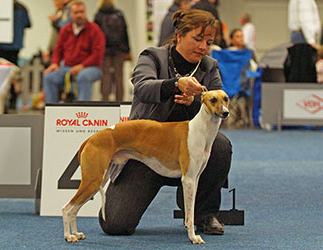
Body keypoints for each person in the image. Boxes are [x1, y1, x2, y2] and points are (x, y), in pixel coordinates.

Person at [99, 9, 232, 236]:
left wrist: (194, 103)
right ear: (179, 36)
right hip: (145, 153)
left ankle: (205, 212)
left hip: (188, 153)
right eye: (197, 39)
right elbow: (142, 87)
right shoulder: (152, 56)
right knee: (116, 225)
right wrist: (175, 84)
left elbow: (218, 107)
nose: (203, 47)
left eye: (208, 42)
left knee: (220, 146)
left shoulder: (210, 66)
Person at [43, 0, 105, 103]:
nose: (79, 15)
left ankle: (82, 110)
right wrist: (54, 63)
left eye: (82, 12)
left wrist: (82, 66)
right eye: (76, 13)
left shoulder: (94, 30)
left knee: (83, 76)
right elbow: (58, 49)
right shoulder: (65, 30)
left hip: (91, 68)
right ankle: (51, 110)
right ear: (70, 14)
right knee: (49, 77)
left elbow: (97, 54)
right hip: (68, 68)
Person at [0, 0, 31, 110]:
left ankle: (5, 103)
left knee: (1, 77)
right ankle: (12, 101)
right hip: (15, 46)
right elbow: (28, 24)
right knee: (13, 75)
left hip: (1, 45)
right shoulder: (22, 8)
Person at [94, 0, 131, 102]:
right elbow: (125, 32)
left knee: (105, 76)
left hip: (104, 51)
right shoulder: (119, 14)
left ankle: (105, 101)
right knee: (119, 77)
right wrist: (128, 50)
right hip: (119, 50)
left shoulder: (98, 15)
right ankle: (120, 101)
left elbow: (95, 35)